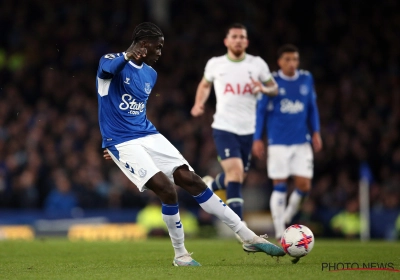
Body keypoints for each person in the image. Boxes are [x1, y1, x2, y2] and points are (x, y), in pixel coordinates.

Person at [97, 22, 285, 267]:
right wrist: (117, 149)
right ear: (144, 44)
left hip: (147, 134)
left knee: (191, 179)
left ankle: (247, 236)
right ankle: (181, 255)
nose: (160, 53)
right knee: (167, 189)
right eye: (158, 47)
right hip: (121, 141)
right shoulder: (110, 60)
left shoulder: (150, 74)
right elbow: (107, 72)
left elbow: (135, 111)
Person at [190, 23, 278, 233]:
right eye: (234, 36)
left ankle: (209, 186)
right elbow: (204, 85)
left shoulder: (257, 64)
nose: (238, 40)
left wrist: (264, 88)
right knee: (236, 174)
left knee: (235, 177)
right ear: (226, 41)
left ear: (246, 42)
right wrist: (199, 103)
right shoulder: (216, 64)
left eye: (242, 37)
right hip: (224, 127)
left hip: (249, 130)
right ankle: (241, 230)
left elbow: (274, 88)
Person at [252, 44, 323, 240]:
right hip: (278, 142)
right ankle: (279, 228)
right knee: (280, 184)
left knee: (304, 186)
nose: (292, 63)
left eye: (295, 59)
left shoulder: (306, 79)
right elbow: (261, 112)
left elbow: (311, 107)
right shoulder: (272, 82)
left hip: (302, 141)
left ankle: (287, 216)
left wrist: (316, 131)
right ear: (279, 62)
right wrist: (258, 138)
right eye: (288, 60)